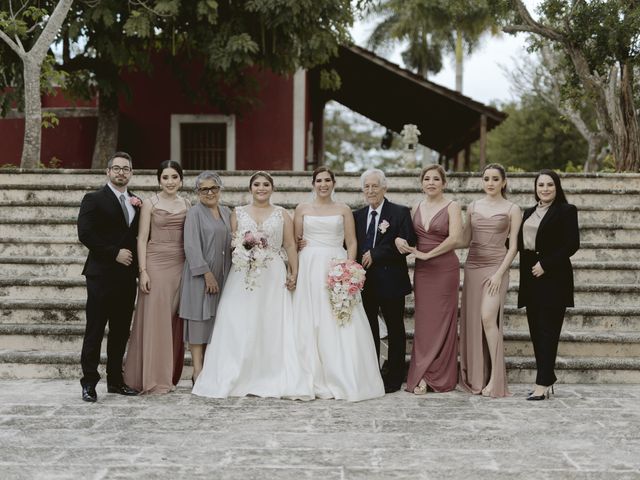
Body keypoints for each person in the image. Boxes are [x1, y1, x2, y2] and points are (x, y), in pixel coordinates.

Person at [192, 172, 313, 399]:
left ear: (272, 188)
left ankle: (269, 372)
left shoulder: (282, 214)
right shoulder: (237, 213)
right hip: (242, 274)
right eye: (257, 184)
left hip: (273, 274)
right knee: (236, 319)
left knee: (270, 322)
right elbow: (230, 243)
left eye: (266, 184)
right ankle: (234, 372)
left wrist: (294, 271)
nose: (261, 188)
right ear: (250, 188)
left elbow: (288, 245)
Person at [293, 167, 384, 402]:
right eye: (319, 180)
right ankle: (310, 372)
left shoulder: (343, 209)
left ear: (334, 183)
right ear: (312, 183)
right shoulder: (302, 209)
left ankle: (343, 372)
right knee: (311, 315)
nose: (323, 184)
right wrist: (299, 246)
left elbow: (351, 241)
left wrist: (348, 268)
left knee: (337, 317)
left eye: (327, 180)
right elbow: (295, 240)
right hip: (310, 265)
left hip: (336, 263)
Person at [77, 151, 140, 402]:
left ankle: (115, 381)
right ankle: (89, 383)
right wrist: (113, 253)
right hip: (101, 275)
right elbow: (86, 233)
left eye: (126, 169)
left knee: (120, 331)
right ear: (108, 172)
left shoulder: (137, 201)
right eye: (117, 168)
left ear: (131, 173)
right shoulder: (93, 199)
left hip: (126, 277)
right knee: (94, 329)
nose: (121, 172)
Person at [123, 160, 190, 394]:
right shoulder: (150, 203)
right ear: (159, 180)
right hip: (156, 262)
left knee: (173, 320)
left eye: (174, 177)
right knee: (156, 319)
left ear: (181, 179)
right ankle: (152, 377)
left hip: (180, 264)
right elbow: (141, 238)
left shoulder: (188, 203)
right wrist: (143, 271)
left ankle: (168, 374)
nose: (170, 182)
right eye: (165, 177)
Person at [397, 164, 462, 395]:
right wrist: (400, 242)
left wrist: (428, 254)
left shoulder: (452, 206)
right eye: (427, 179)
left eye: (436, 179)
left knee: (443, 321)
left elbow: (455, 238)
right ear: (421, 183)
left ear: (443, 183)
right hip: (423, 271)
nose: (431, 182)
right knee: (425, 324)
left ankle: (437, 375)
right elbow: (409, 237)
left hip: (445, 269)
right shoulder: (416, 206)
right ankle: (422, 373)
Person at [458, 164, 522, 398]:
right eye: (486, 179)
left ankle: (496, 379)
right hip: (473, 267)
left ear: (504, 182)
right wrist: (429, 246)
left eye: (495, 179)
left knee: (487, 317)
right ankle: (477, 376)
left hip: (497, 267)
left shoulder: (512, 208)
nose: (490, 183)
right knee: (474, 322)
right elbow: (464, 239)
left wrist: (498, 273)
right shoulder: (473, 206)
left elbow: (513, 246)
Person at [518, 169, 579, 400]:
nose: (544, 189)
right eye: (541, 185)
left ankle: (542, 383)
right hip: (530, 277)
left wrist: (546, 263)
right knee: (536, 331)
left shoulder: (566, 211)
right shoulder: (529, 212)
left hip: (554, 277)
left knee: (548, 331)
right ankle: (547, 376)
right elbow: (519, 242)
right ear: (535, 188)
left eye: (549, 185)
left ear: (557, 187)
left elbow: (572, 244)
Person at [354, 168, 416, 393]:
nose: (370, 190)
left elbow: (408, 242)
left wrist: (376, 254)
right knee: (368, 328)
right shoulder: (357, 215)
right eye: (367, 187)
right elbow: (349, 243)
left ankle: (394, 376)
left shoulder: (399, 212)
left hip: (391, 280)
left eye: (374, 186)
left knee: (395, 328)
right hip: (364, 282)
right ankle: (371, 371)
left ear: (384, 187)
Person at [178, 171, 232, 384]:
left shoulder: (227, 212)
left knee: (216, 322)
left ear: (220, 189)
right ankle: (198, 371)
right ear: (197, 192)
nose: (210, 192)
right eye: (204, 189)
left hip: (224, 275)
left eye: (214, 188)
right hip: (200, 276)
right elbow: (190, 246)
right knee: (198, 321)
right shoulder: (194, 213)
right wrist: (206, 274)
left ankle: (212, 369)